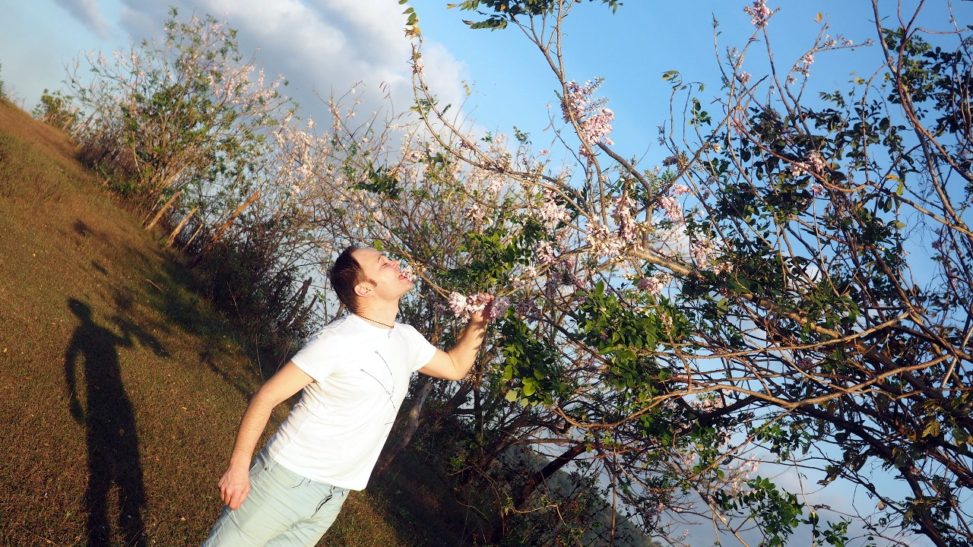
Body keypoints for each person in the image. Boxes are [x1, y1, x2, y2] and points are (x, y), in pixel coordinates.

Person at [203, 245, 489, 546]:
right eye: (383, 263)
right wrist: (238, 468)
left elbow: (455, 366)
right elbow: (266, 396)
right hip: (284, 480)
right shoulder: (337, 339)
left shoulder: (407, 338)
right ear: (365, 288)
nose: (395, 263)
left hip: (332, 497)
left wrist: (478, 322)